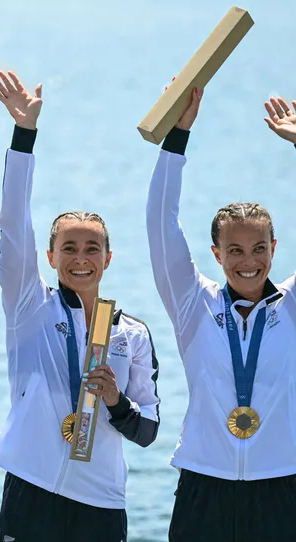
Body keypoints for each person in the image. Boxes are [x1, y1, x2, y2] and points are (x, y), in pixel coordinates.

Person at [0, 71, 160, 542]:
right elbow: (11, 223)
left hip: (101, 504)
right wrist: (25, 135)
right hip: (32, 490)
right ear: (49, 257)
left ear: (108, 258)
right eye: (68, 248)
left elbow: (148, 430)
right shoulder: (29, 306)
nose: (80, 259)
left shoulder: (132, 333)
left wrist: (115, 401)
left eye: (91, 249)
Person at [146, 87, 296, 542]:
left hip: (282, 485)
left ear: (274, 249)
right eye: (234, 249)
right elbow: (160, 222)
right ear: (216, 253)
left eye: (257, 249)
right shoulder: (193, 302)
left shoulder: (290, 306)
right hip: (203, 486)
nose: (247, 260)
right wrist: (178, 135)